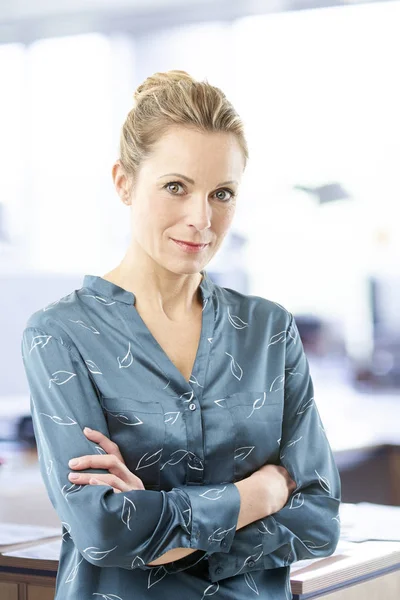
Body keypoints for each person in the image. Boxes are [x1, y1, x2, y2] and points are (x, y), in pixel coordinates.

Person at [21, 70, 341, 600]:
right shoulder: (61, 335)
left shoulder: (268, 329)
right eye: (176, 187)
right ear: (124, 182)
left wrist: (157, 520)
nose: (201, 218)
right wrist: (259, 493)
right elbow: (103, 531)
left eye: (222, 193)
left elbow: (319, 518)